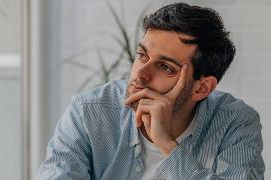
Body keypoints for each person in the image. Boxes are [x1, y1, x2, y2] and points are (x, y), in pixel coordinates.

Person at [38, 3, 264, 180]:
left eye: (165, 67)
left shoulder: (236, 123)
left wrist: (166, 143)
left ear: (202, 87)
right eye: (142, 55)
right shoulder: (89, 112)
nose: (140, 73)